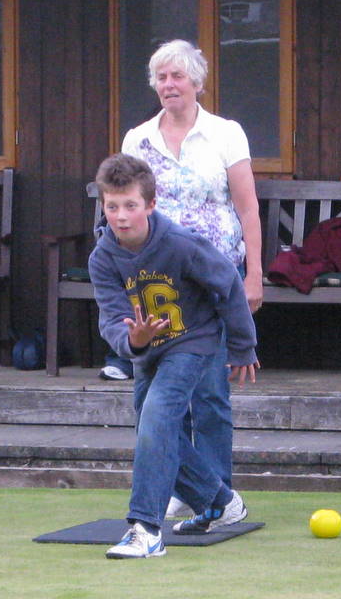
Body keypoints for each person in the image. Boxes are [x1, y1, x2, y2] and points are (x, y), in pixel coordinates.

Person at [116, 39, 264, 515]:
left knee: (211, 392)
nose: (169, 84)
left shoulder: (225, 134)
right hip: (156, 282)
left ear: (197, 82)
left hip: (216, 279)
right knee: (162, 392)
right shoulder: (138, 140)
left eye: (177, 76)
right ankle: (183, 489)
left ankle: (220, 494)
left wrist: (254, 273)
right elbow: (126, 208)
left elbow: (247, 208)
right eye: (161, 77)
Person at [89, 154, 258, 559]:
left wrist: (242, 345)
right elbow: (111, 318)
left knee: (157, 419)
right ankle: (219, 501)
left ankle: (146, 529)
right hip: (147, 353)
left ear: (150, 204)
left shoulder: (181, 244)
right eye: (112, 206)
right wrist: (134, 341)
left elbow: (228, 285)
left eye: (130, 205)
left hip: (193, 342)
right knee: (153, 429)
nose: (121, 216)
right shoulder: (102, 258)